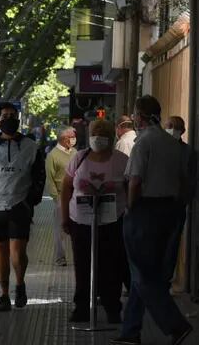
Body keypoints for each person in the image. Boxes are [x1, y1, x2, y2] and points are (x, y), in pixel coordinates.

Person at [111, 96, 192, 345]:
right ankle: (131, 331)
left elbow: (134, 180)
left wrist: (130, 207)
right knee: (146, 273)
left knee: (143, 276)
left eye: (135, 114)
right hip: (170, 211)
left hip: (144, 212)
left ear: (139, 115)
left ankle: (176, 325)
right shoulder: (173, 143)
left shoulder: (143, 143)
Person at [0, 102, 45, 312]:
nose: (9, 119)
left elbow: (39, 175)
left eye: (13, 115)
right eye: (4, 116)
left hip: (19, 205)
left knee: (17, 250)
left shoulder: (31, 147)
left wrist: (31, 200)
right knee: (1, 251)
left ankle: (20, 284)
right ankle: (3, 294)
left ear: (19, 119)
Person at [60, 119, 128, 324]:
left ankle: (112, 307)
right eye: (95, 132)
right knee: (82, 265)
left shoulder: (122, 160)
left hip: (112, 222)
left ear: (110, 135)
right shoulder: (79, 158)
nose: (98, 136)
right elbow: (66, 188)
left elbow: (130, 188)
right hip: (80, 221)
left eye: (103, 132)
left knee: (111, 266)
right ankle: (81, 307)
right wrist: (64, 217)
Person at [163, 116, 196, 283]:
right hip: (158, 203)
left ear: (182, 131)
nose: (171, 130)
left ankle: (166, 278)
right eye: (169, 126)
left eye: (175, 127)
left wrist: (184, 199)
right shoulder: (159, 148)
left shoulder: (188, 152)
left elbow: (191, 179)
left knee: (172, 243)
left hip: (177, 205)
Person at [46, 127, 77, 267]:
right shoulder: (53, 155)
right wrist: (56, 197)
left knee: (77, 227)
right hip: (60, 196)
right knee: (60, 229)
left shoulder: (75, 153)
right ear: (64, 139)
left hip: (76, 195)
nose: (73, 138)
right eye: (71, 136)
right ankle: (60, 257)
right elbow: (50, 178)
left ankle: (78, 255)